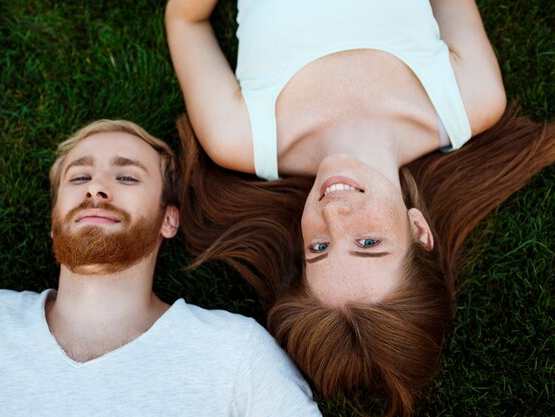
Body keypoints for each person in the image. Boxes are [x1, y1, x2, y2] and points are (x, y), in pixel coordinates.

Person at [165, 0, 555, 416]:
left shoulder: (239, 136)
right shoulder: (469, 99)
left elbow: (186, 19)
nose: (333, 213)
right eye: (368, 242)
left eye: (318, 248)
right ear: (419, 232)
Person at [0, 120, 322, 416]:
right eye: (80, 176)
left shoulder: (234, 352)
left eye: (127, 176)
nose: (96, 188)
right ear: (54, 223)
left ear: (169, 220)